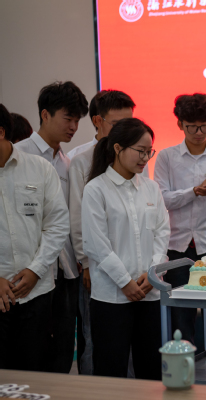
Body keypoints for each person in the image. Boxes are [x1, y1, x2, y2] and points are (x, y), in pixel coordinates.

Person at [82, 118, 169, 379]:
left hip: (149, 293)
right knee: (111, 370)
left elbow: (162, 232)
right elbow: (96, 244)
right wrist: (125, 282)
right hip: (112, 297)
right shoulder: (96, 189)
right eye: (140, 151)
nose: (145, 158)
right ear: (118, 148)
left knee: (151, 370)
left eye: (149, 152)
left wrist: (153, 274)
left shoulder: (151, 188)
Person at [154, 93, 206, 348]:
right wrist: (194, 191)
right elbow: (162, 200)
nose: (199, 132)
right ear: (180, 124)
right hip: (178, 248)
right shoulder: (166, 157)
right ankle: (184, 366)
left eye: (205, 126)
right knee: (181, 320)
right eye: (192, 126)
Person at [15, 81, 88, 373]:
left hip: (65, 268)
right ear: (45, 115)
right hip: (28, 269)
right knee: (30, 351)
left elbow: (69, 218)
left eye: (77, 121)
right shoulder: (18, 156)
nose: (73, 127)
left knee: (63, 349)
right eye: (68, 119)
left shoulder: (68, 163)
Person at [68, 89, 136, 375]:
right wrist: (85, 262)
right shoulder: (80, 160)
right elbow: (77, 218)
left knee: (130, 339)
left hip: (131, 265)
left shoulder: (136, 155)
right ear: (97, 121)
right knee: (94, 337)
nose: (125, 130)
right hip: (96, 265)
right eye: (117, 124)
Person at [0, 103, 70, 371]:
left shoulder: (39, 168)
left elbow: (57, 225)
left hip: (37, 291)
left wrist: (35, 270)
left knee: (35, 371)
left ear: (1, 132)